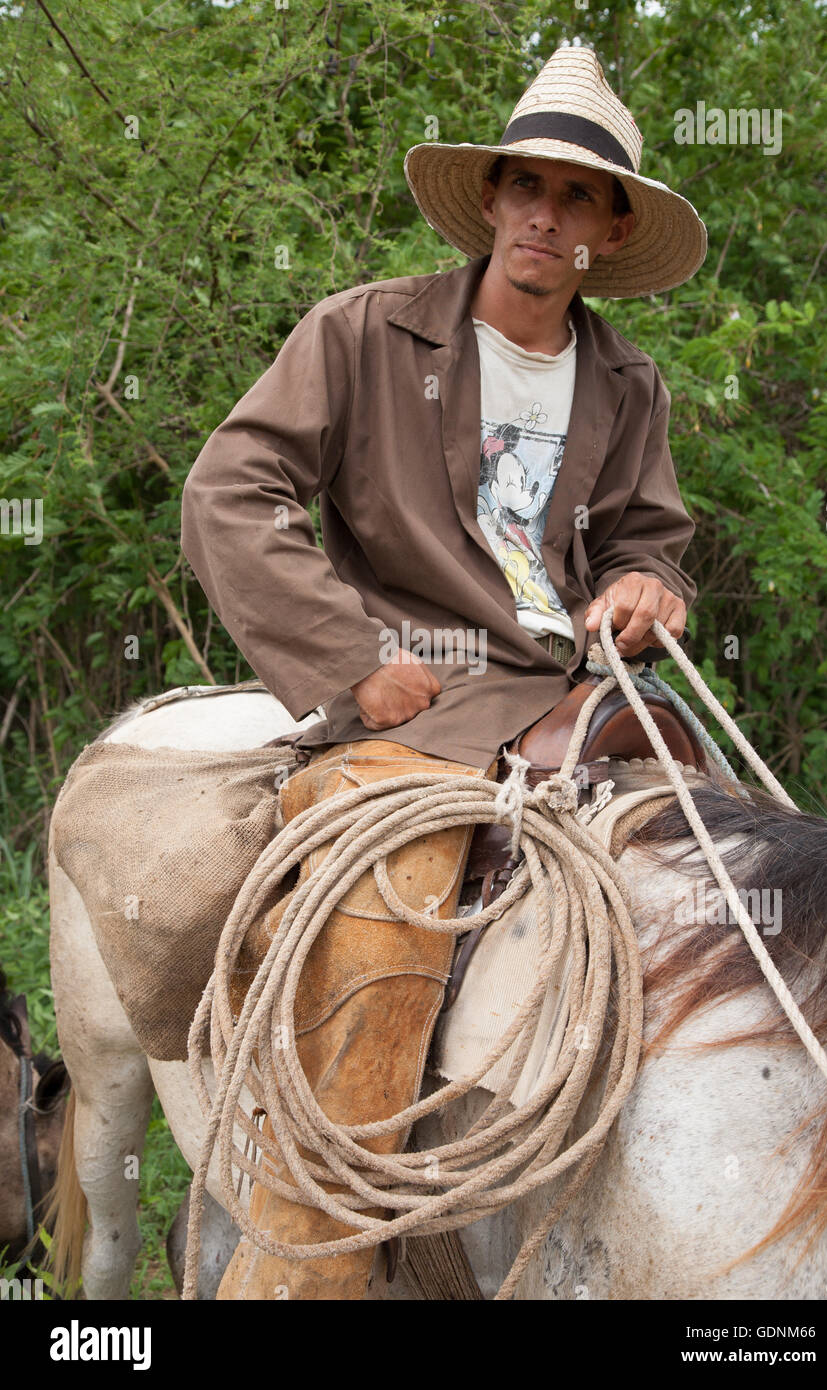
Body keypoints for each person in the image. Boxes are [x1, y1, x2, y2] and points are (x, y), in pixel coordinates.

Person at [180, 43, 706, 1300]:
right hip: (417, 696)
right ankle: (303, 1269)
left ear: (610, 228)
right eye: (525, 183)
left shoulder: (628, 381)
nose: (544, 210)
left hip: (577, 699)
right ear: (489, 199)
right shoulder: (365, 332)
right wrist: (352, 660)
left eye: (577, 195)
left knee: (746, 877)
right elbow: (228, 494)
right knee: (392, 912)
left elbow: (644, 541)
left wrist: (648, 587)